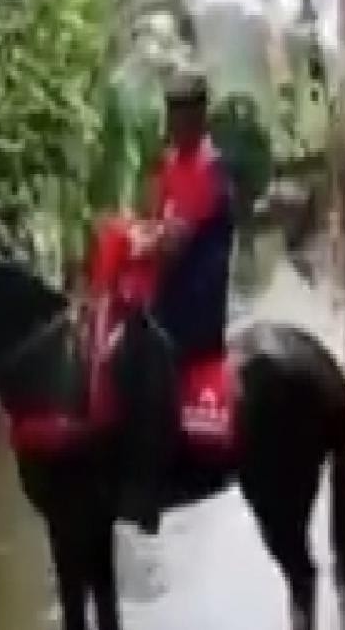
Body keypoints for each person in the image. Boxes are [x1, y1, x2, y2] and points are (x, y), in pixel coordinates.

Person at [108, 70, 237, 535]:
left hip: (195, 299)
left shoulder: (209, 169)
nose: (177, 123)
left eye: (185, 114)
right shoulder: (169, 165)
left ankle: (153, 481)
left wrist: (141, 242)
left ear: (200, 118)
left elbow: (175, 240)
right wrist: (133, 232)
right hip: (164, 290)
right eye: (173, 114)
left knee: (147, 357)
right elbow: (158, 222)